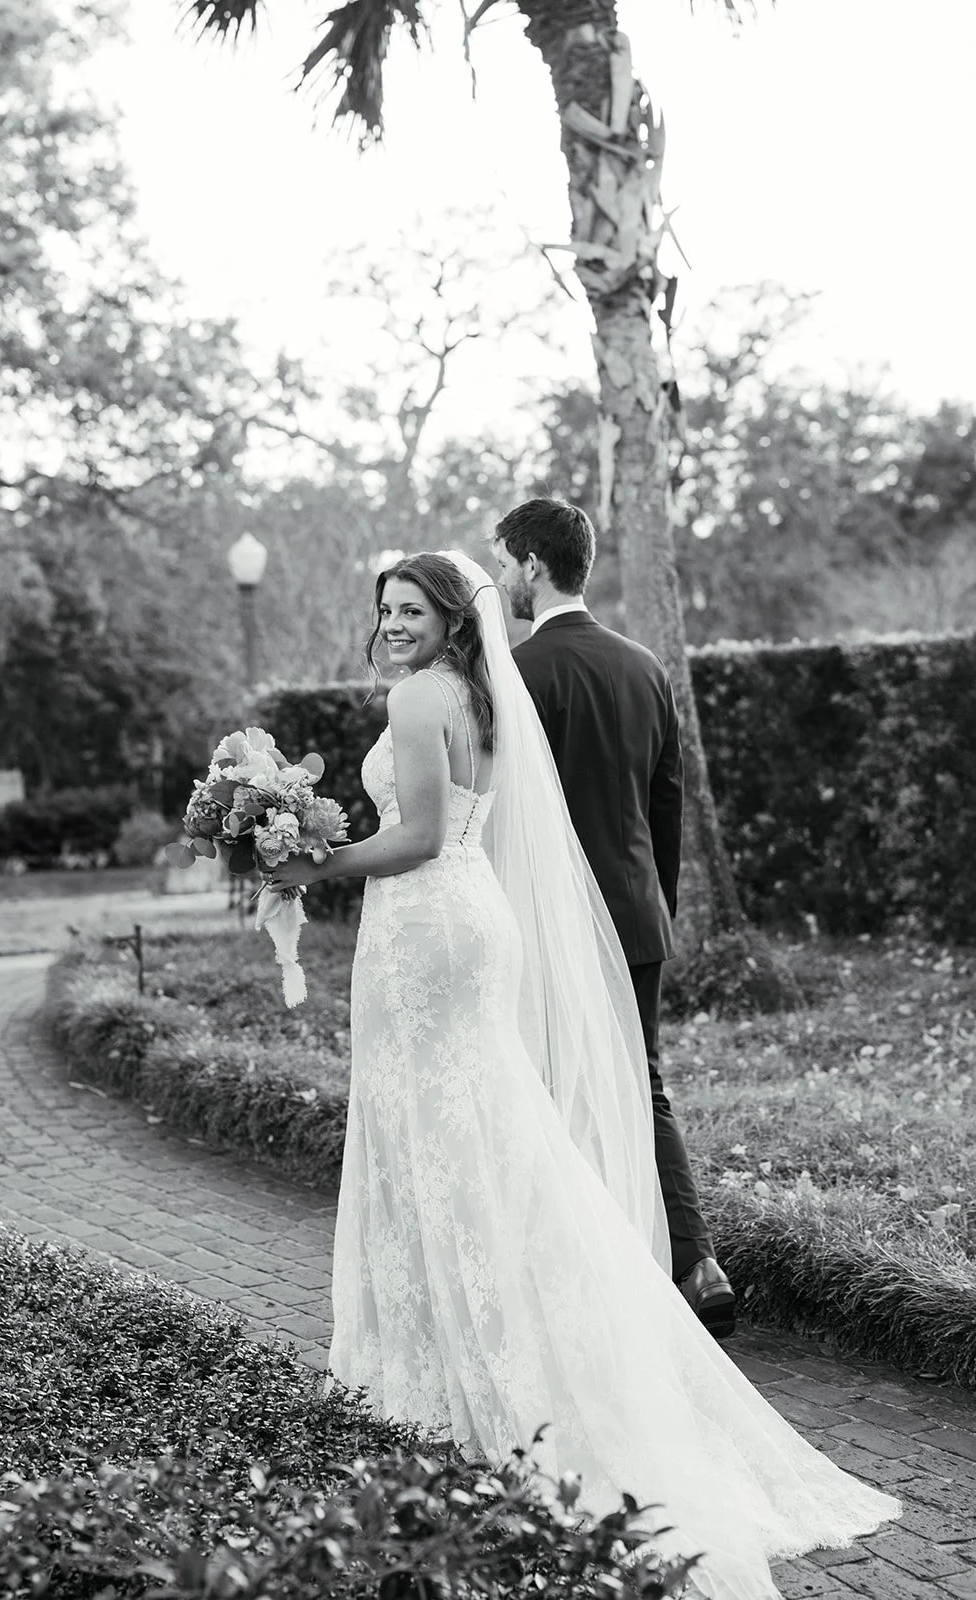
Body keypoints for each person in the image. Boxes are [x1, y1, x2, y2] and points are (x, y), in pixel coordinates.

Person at [267, 551, 899, 1600]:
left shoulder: (422, 693)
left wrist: (309, 864)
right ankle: (517, 1341)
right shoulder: (480, 692)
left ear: (448, 617)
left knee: (438, 1143)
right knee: (485, 1136)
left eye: (409, 607)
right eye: (382, 607)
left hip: (427, 930)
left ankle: (455, 1384)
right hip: (467, 923)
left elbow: (418, 835)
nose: (390, 623)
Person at [495, 497, 735, 1337]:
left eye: (504, 563)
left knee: (552, 1081)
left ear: (531, 565)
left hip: (551, 920)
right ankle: (695, 1261)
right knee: (641, 1081)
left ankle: (584, 1268)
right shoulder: (643, 667)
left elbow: (505, 817)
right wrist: (652, 903)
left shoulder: (520, 675)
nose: (500, 581)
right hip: (636, 915)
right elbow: (663, 808)